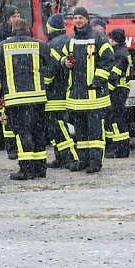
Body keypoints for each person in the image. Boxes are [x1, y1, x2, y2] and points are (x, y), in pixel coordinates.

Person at [0, 19, 52, 180]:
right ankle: (40, 168)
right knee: (38, 132)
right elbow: (50, 69)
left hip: (15, 99)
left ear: (12, 30)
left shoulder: (2, 47)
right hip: (38, 98)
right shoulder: (39, 45)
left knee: (22, 133)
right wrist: (44, 85)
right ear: (28, 29)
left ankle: (26, 169)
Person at [59, 6, 115, 173]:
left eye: (80, 18)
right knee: (81, 132)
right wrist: (65, 63)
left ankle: (95, 162)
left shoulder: (98, 38)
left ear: (87, 19)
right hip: (77, 96)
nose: (78, 21)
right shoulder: (71, 40)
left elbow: (108, 60)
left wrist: (97, 80)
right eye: (75, 18)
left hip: (94, 95)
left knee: (96, 132)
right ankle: (83, 160)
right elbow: (62, 57)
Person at [44, 14, 77, 169]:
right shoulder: (70, 40)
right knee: (60, 125)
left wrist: (43, 85)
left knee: (57, 127)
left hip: (55, 93)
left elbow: (49, 72)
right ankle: (61, 157)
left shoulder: (51, 45)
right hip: (70, 90)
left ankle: (70, 157)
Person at [105, 28, 131, 159]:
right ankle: (120, 148)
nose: (108, 40)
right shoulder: (123, 51)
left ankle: (120, 149)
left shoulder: (118, 54)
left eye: (109, 38)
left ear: (114, 39)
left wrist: (107, 90)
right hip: (122, 88)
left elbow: (114, 76)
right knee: (116, 117)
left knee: (115, 118)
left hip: (118, 89)